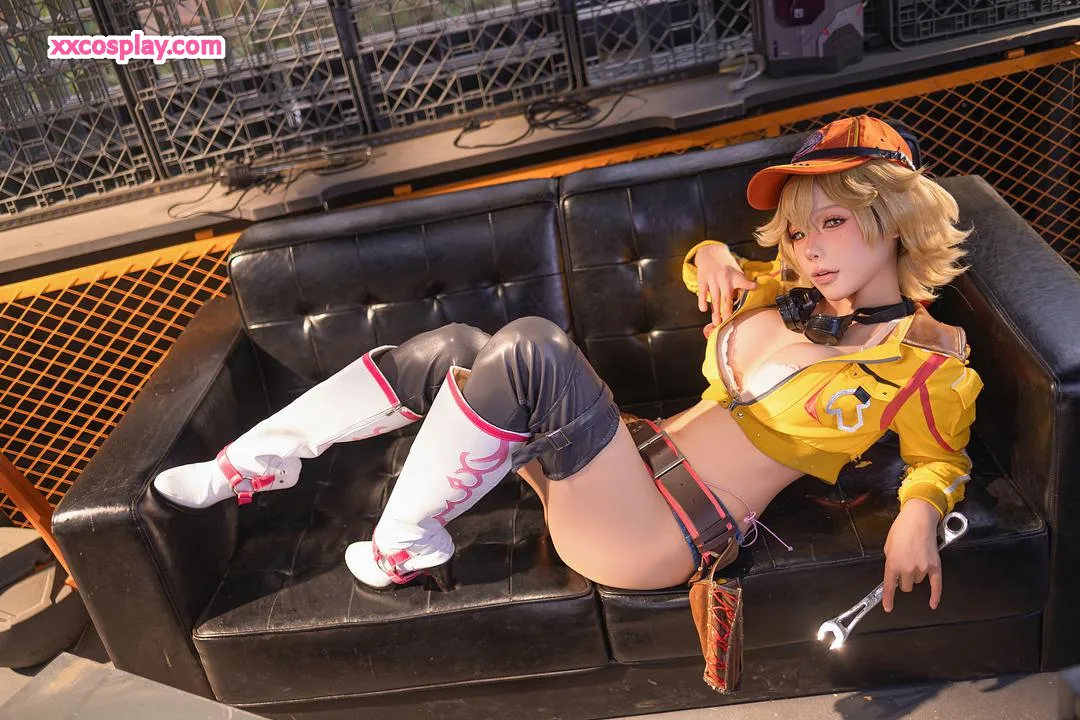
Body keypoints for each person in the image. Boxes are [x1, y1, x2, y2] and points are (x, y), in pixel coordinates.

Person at [153, 115, 981, 614]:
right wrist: (709, 254)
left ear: (897, 221)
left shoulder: (926, 364)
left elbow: (939, 461)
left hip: (660, 531)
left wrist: (917, 516)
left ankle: (404, 544)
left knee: (532, 351)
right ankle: (250, 464)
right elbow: (704, 267)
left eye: (834, 222)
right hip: (625, 466)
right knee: (455, 350)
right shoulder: (783, 292)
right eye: (799, 229)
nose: (809, 246)